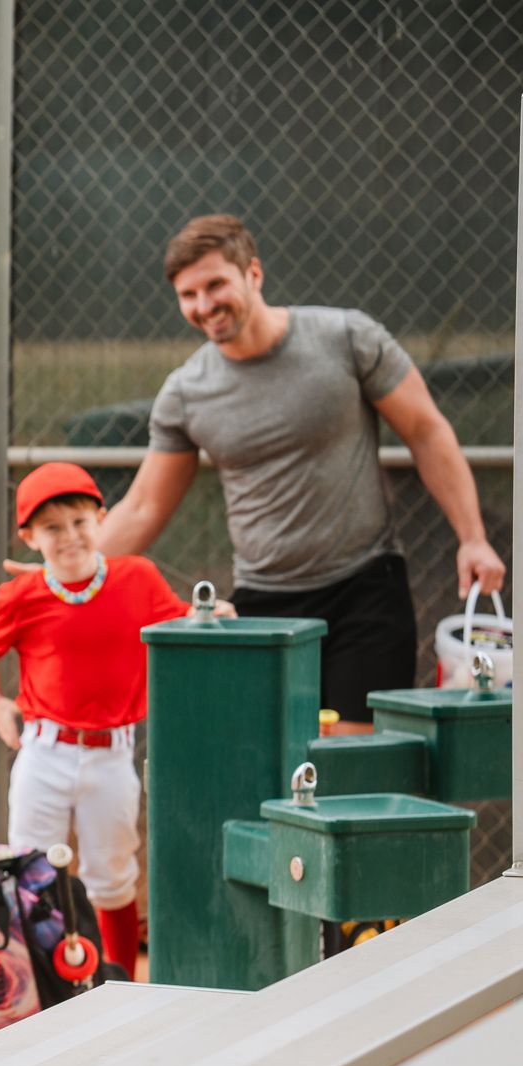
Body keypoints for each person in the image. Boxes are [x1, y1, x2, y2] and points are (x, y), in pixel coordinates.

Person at [86, 214, 504, 730]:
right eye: (187, 294)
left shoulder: (347, 337)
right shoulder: (185, 392)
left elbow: (426, 432)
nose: (204, 305)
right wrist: (68, 569)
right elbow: (145, 506)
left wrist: (473, 538)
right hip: (263, 602)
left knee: (354, 770)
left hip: (365, 589)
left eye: (215, 284)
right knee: (271, 770)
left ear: (253, 274)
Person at [0, 462, 233, 976]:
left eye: (80, 522)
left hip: (111, 754)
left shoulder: (136, 577)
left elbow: (179, 620)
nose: (69, 537)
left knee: (113, 877)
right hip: (44, 753)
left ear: (101, 518)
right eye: (51, 528)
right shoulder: (24, 596)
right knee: (31, 867)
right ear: (28, 536)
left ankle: (120, 986)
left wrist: (211, 613)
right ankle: (42, 986)